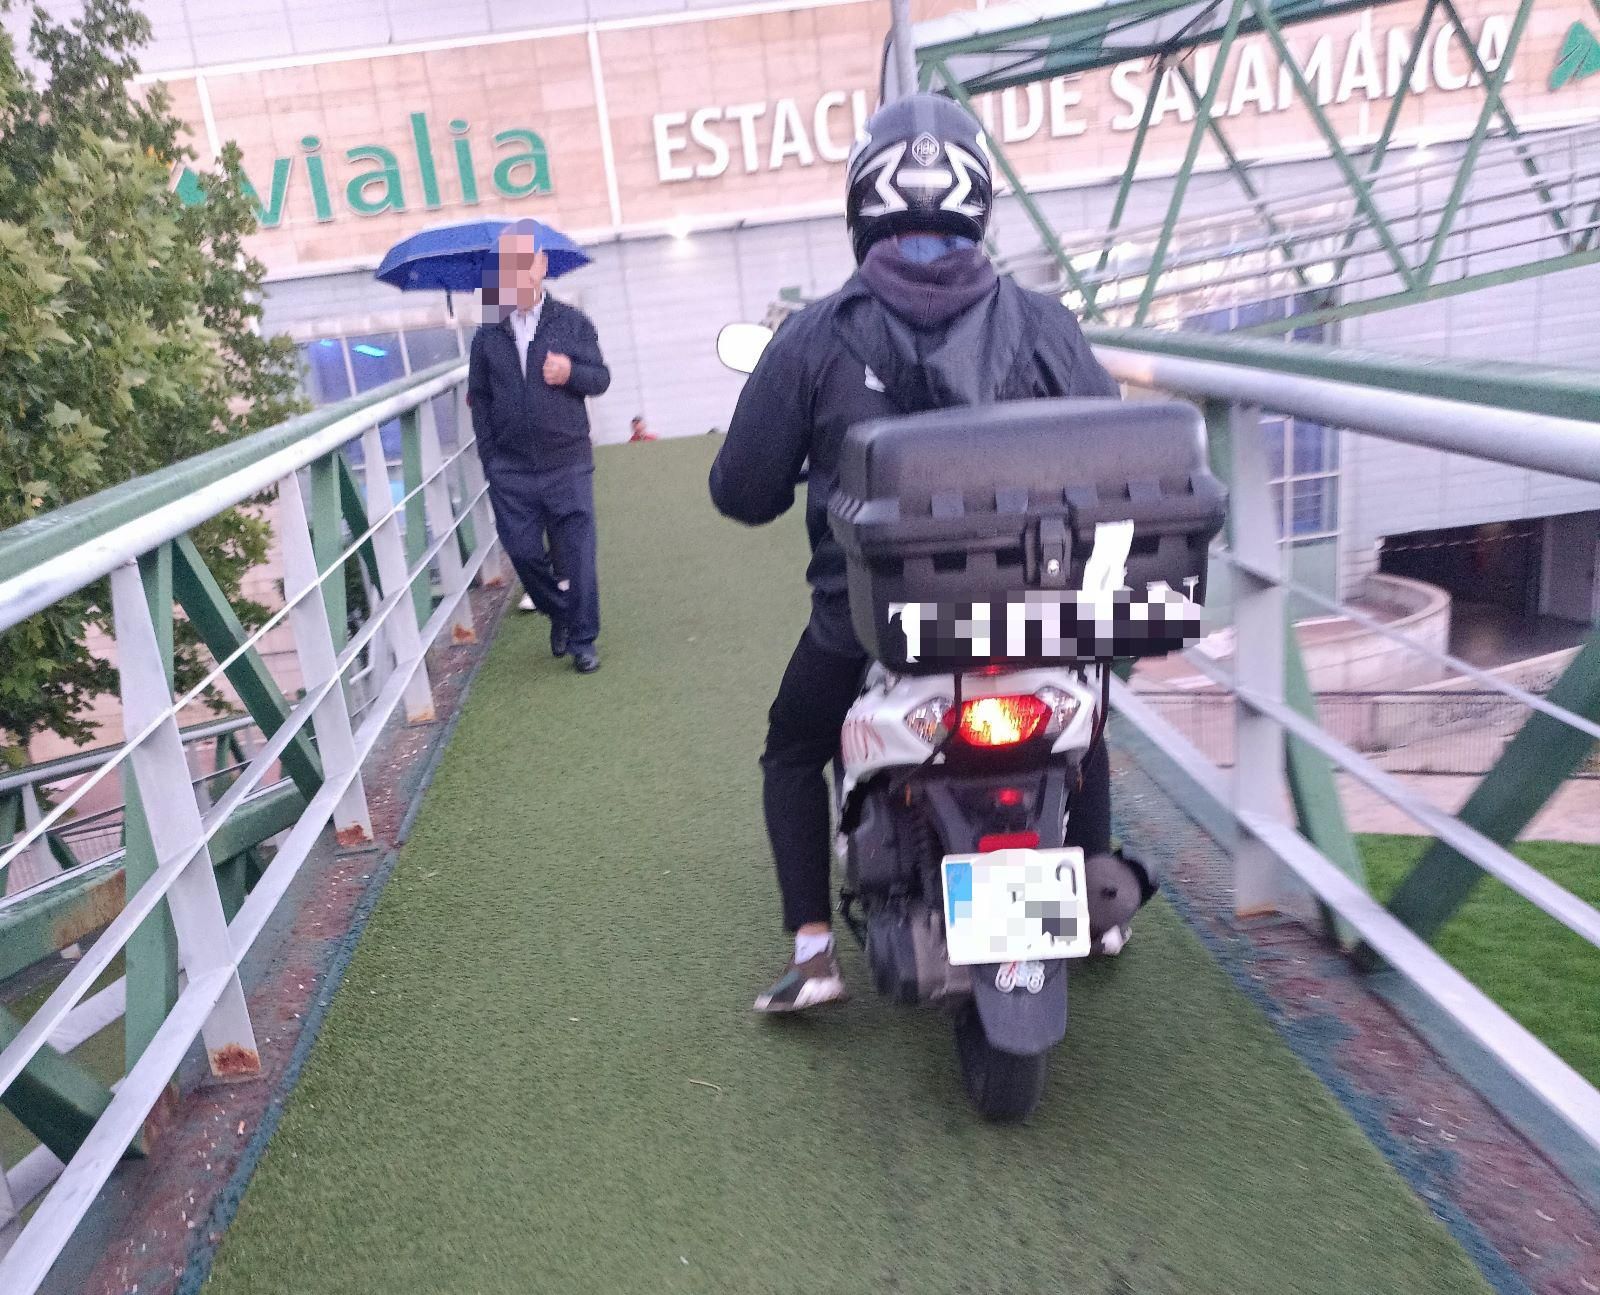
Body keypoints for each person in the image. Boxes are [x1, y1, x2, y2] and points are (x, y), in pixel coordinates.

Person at [710, 93, 1154, 1013]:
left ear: (862, 205)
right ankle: (1097, 906)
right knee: (1087, 729)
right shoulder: (1045, 325)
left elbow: (742, 493)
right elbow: (1118, 461)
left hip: (864, 623)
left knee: (792, 750)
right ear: (979, 203)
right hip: (1032, 614)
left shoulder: (813, 336)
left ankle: (814, 952)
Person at [469, 220, 609, 674]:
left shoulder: (571, 323)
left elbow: (600, 378)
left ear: (540, 265)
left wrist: (571, 373)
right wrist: (491, 459)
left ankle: (583, 640)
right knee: (525, 554)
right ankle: (561, 613)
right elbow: (480, 398)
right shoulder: (488, 332)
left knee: (578, 557)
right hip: (511, 469)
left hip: (567, 461)